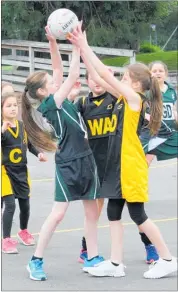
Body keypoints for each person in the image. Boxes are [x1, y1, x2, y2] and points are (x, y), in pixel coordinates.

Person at [67, 24, 177, 279]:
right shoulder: (123, 98)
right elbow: (100, 74)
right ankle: (116, 264)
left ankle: (168, 258)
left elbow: (105, 75)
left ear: (136, 84)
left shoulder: (135, 100)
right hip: (120, 167)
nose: (121, 81)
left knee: (138, 214)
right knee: (113, 212)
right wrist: (81, 50)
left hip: (131, 167)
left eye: (125, 78)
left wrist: (84, 46)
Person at [21, 45, 103, 281]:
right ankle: (35, 259)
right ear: (42, 92)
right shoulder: (50, 104)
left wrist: (54, 44)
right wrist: (77, 48)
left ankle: (92, 256)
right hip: (68, 163)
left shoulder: (61, 98)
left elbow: (57, 67)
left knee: (92, 212)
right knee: (58, 214)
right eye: (51, 82)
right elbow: (72, 75)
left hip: (86, 159)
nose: (56, 81)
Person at [68, 71, 159, 265]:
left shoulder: (118, 98)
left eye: (101, 78)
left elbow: (148, 125)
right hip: (95, 162)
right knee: (96, 211)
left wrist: (147, 152)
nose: (97, 82)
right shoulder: (83, 104)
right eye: (92, 78)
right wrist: (70, 97)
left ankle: (150, 247)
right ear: (87, 81)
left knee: (135, 211)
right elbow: (66, 123)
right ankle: (87, 248)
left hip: (119, 162)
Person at [1, 93, 47, 254]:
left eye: (15, 105)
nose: (13, 108)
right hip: (5, 172)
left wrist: (39, 153)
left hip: (22, 171)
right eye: (9, 106)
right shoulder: (2, 127)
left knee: (25, 204)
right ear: (1, 109)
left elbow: (29, 145)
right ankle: (6, 239)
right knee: (10, 205)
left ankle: (23, 231)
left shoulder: (21, 126)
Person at [140, 61, 178, 165]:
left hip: (169, 132)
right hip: (154, 131)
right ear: (149, 74)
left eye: (161, 71)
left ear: (166, 74)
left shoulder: (171, 91)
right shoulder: (148, 91)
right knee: (146, 159)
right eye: (154, 71)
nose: (158, 73)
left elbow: (173, 109)